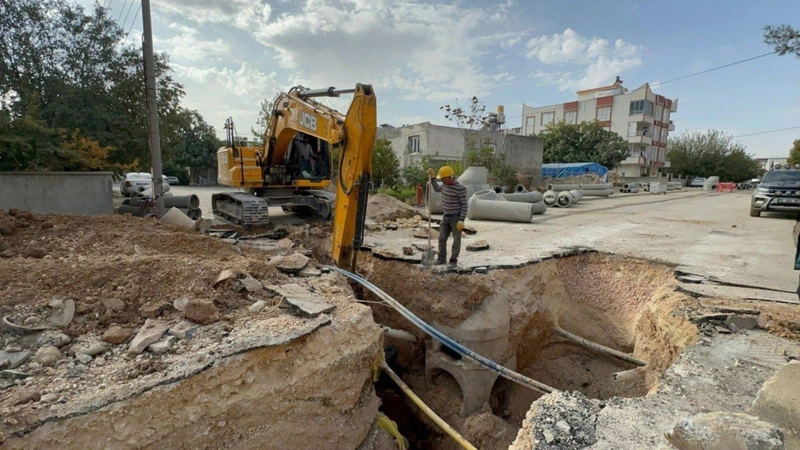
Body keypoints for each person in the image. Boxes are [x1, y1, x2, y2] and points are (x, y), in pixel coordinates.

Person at [427, 165, 467, 269]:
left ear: (449, 177)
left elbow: (464, 205)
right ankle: (441, 259)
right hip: (446, 216)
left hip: (456, 217)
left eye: (443, 178)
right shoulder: (444, 186)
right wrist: (433, 177)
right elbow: (436, 188)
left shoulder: (460, 188)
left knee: (456, 240)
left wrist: (461, 220)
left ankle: (453, 261)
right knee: (441, 238)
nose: (442, 181)